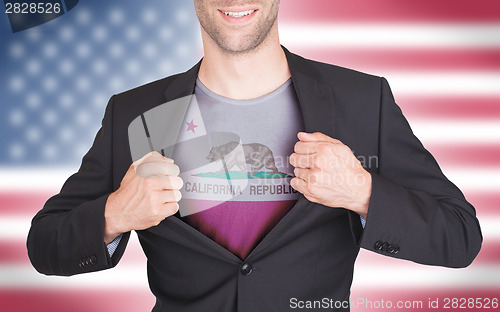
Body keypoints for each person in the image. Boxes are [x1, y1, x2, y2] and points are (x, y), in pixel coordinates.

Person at [27, 1, 482, 311]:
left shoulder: (361, 100)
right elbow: (45, 245)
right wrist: (114, 214)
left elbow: (460, 236)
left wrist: (363, 191)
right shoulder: (138, 113)